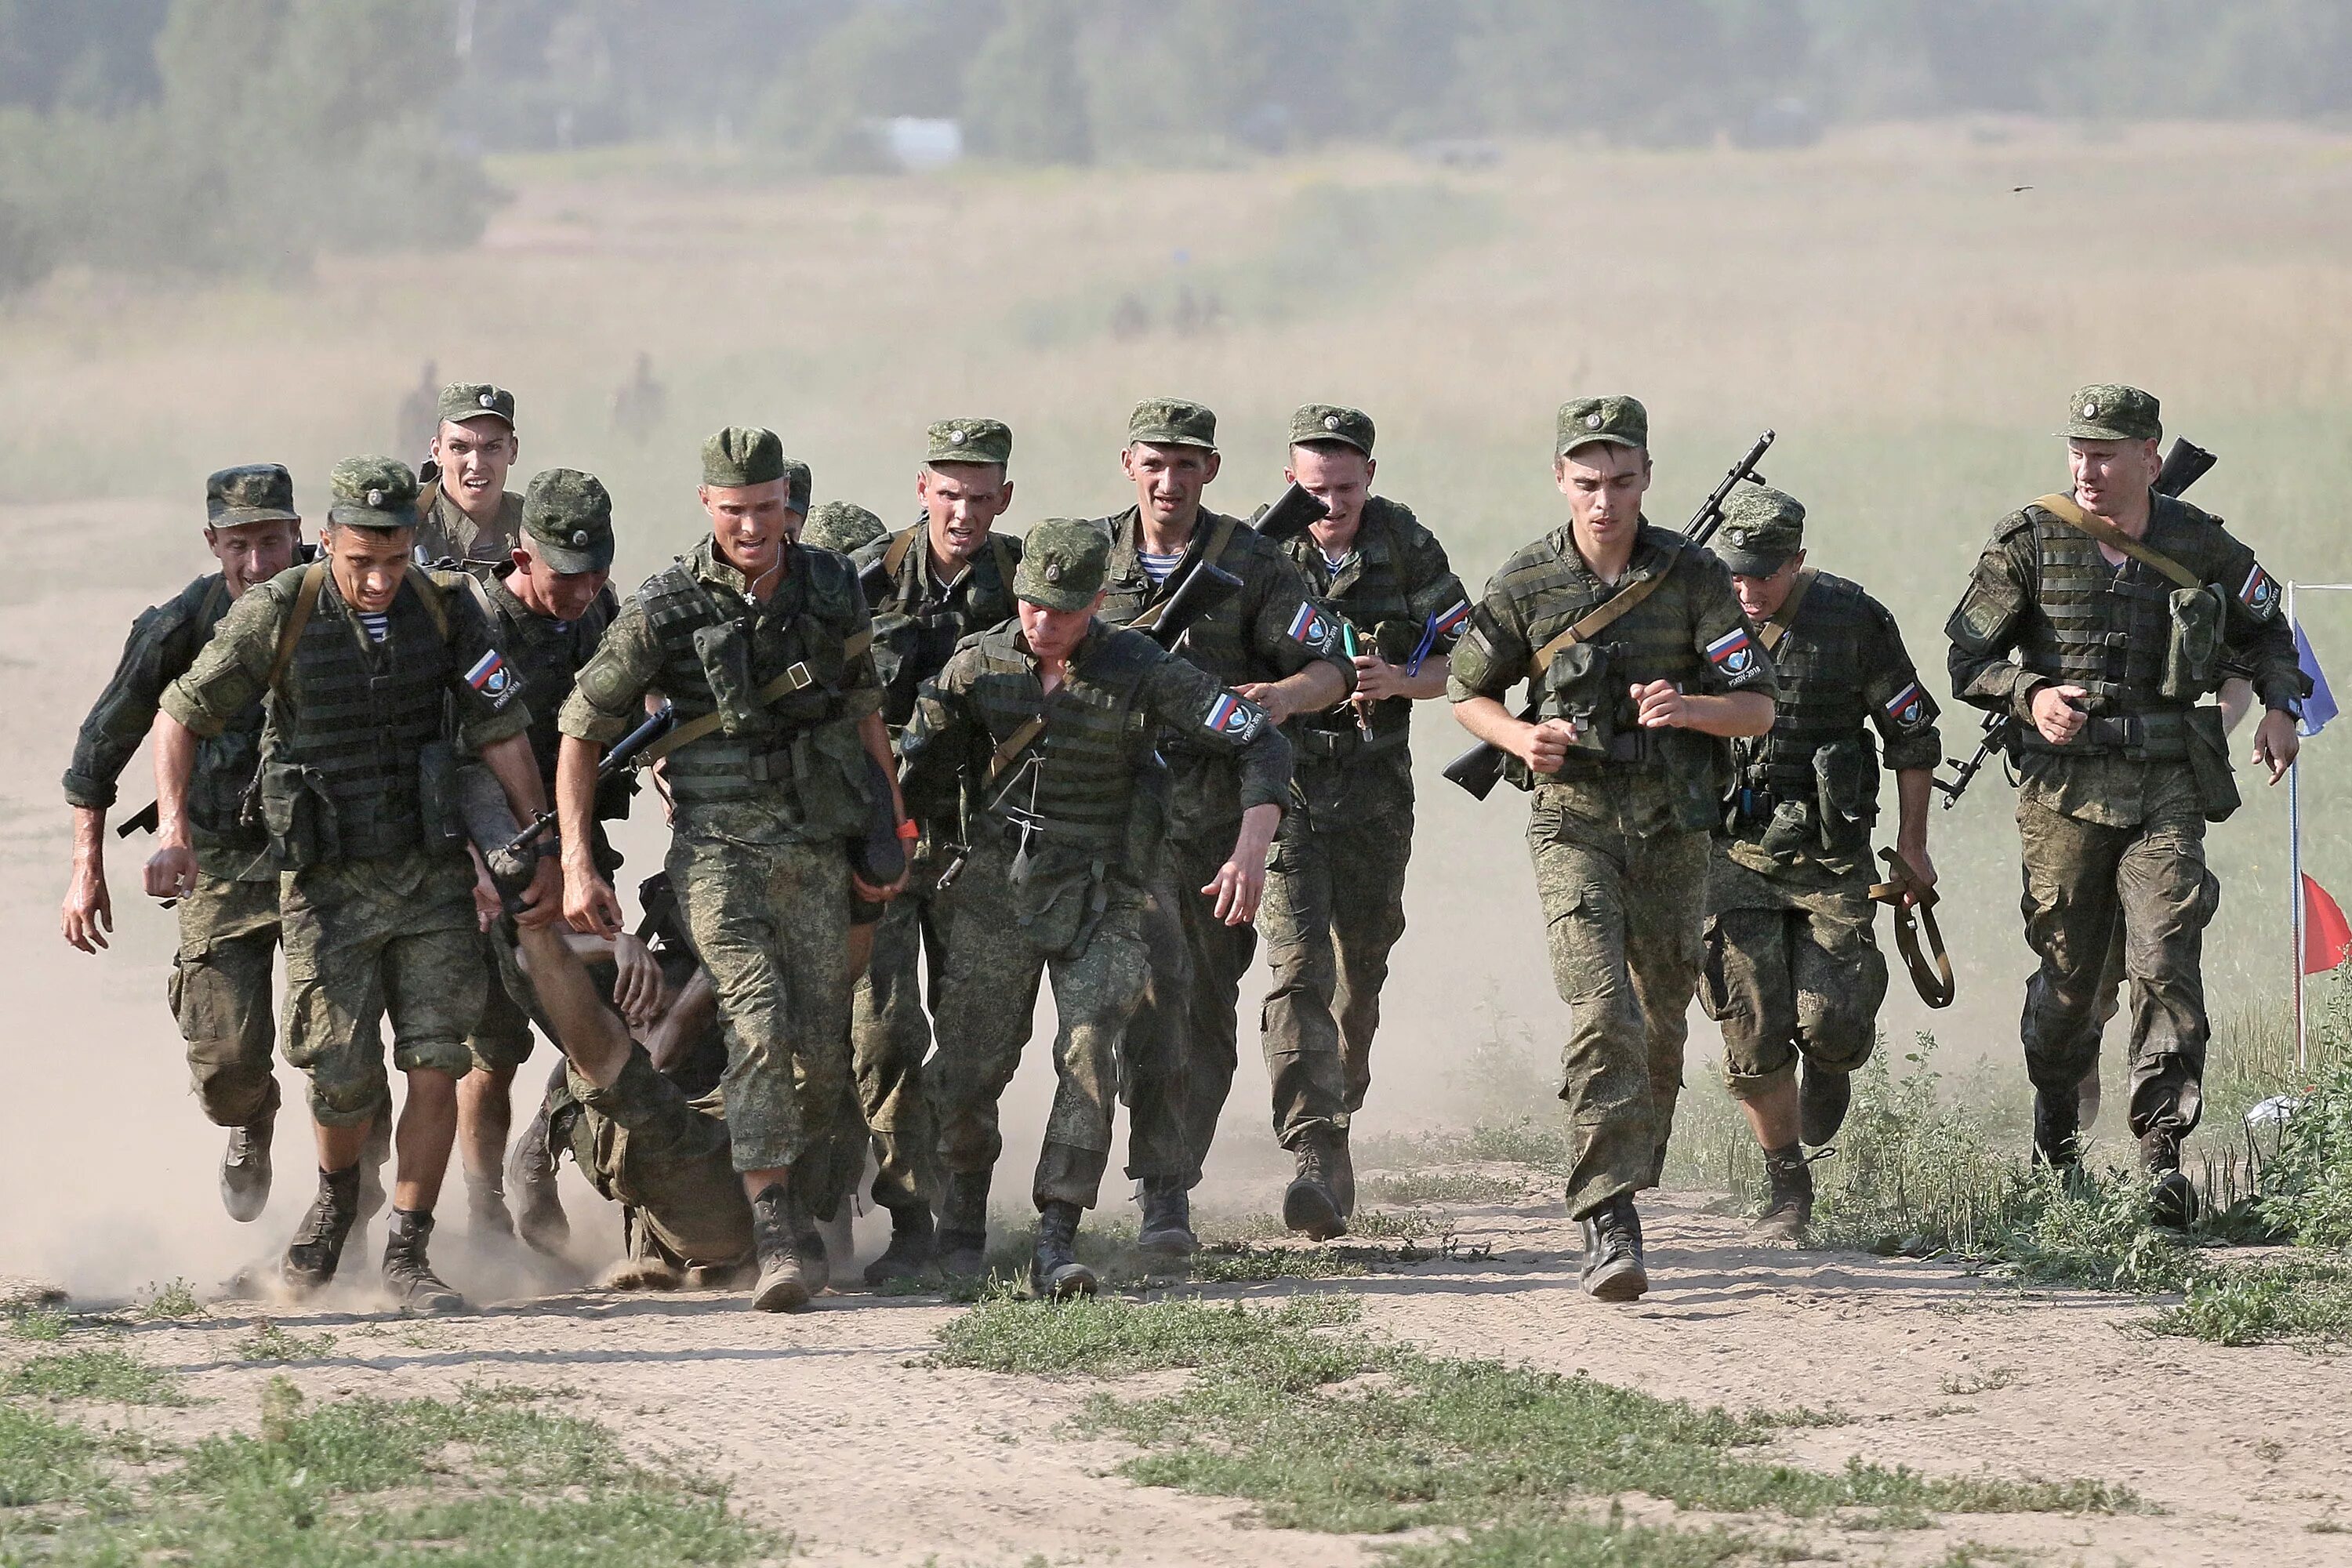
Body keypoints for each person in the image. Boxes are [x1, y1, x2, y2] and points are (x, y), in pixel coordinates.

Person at [154, 456, 562, 1312]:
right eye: (360, 561)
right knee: (338, 1071)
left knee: (434, 1060)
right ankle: (339, 1199)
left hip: (428, 875)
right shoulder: (280, 611)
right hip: (326, 885)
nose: (378, 579)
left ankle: (409, 1247)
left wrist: (540, 841)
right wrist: (172, 828)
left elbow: (501, 728)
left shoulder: (447, 610)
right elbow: (181, 713)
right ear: (328, 539)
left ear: (414, 541)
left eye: (395, 558)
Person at [555, 426, 909, 1312]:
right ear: (707, 506)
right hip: (716, 853)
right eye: (735, 510)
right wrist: (573, 860)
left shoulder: (829, 585)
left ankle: (801, 1206)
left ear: (787, 502)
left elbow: (865, 713)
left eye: (766, 508)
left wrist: (887, 826)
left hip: (815, 847)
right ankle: (777, 1229)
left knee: (823, 1049)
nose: (753, 526)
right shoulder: (665, 606)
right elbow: (579, 727)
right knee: (755, 1018)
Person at [900, 520, 1295, 1295]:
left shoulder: (1141, 666)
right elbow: (913, 763)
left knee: (1088, 1049)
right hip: (994, 887)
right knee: (972, 1063)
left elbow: (1260, 741)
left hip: (1106, 886)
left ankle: (1058, 1232)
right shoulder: (977, 664)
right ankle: (963, 1225)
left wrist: (1251, 845)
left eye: (1065, 609)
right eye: (1032, 606)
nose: (1044, 624)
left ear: (1095, 604)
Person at [1945, 384, 2304, 1225]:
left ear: (2150, 455)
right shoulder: (2029, 541)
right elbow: (1967, 656)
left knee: (2167, 955)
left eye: (2106, 451)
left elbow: (2267, 627)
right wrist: (2030, 693)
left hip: (2166, 782)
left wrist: (2280, 706)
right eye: (2078, 449)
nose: (2088, 467)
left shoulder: (2198, 542)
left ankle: (2160, 1157)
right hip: (2065, 792)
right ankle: (2056, 1138)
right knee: (2071, 983)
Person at [1449, 396, 1778, 1302]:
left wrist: (1690, 709)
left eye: (1622, 481)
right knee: (1603, 1012)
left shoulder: (1694, 575)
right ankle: (1606, 1217)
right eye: (1588, 482)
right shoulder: (1526, 581)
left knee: (1661, 1021)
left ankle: (1622, 1151)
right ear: (1561, 479)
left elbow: (1758, 706)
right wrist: (1523, 741)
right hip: (1574, 821)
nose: (1605, 501)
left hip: (1675, 825)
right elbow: (1465, 692)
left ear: (1646, 478)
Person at [1090, 397, 1352, 1258]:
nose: (1170, 481)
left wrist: (1284, 695)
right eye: (1155, 463)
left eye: (1188, 463)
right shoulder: (1089, 557)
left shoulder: (1254, 562)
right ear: (1129, 464)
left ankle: (1174, 1178)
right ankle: (1156, 1189)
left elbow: (1333, 667)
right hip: (1117, 813)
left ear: (1211, 468)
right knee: (1151, 996)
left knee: (1202, 1007)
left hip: (1217, 811)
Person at [61, 465, 304, 1221]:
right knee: (228, 1070)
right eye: (240, 545)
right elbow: (100, 750)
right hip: (218, 860)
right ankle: (254, 1118)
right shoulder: (177, 627)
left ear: (299, 534)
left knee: (341, 1051)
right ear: (213, 543)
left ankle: (349, 1212)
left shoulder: (334, 610)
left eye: (272, 541)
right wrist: (85, 870)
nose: (258, 564)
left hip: (326, 859)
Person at [1700, 485, 1941, 1240]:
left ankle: (1830, 1067)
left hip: (1831, 856)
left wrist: (1911, 846)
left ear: (1798, 562)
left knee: (1834, 1019)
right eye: (1735, 573)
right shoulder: (1697, 615)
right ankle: (1786, 1188)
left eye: (1764, 575)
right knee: (1749, 1023)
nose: (1748, 590)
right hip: (1731, 852)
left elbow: (1910, 733)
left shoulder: (1852, 619)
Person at [1258, 404, 1469, 1229]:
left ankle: (1346, 1079)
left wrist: (1400, 682)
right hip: (1287, 787)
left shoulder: (1408, 545)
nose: (1330, 503)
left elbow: (1467, 656)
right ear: (1290, 481)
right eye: (1315, 489)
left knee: (1362, 964)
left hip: (1378, 789)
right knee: (1297, 968)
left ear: (1369, 477)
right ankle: (1315, 1146)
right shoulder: (1260, 548)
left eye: (1344, 487)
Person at [840, 419, 1024, 1282]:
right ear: (923, 490)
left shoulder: (1028, 584)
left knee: (977, 1037)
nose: (963, 512)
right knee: (882, 1036)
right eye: (949, 493)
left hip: (984, 843)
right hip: (882, 840)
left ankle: (965, 1219)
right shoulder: (857, 582)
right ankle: (910, 1213)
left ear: (1004, 499)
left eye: (981, 497)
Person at [441, 469, 624, 1243]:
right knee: (493, 1048)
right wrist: (477, 867)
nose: (581, 590)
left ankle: (537, 1156)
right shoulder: (471, 622)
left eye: (595, 573)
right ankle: (484, 1206)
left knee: (599, 1017)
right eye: (563, 576)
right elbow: (445, 757)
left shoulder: (602, 611)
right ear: (522, 556)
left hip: (573, 848)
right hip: (489, 855)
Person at [415, 383, 524, 566]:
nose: (476, 464)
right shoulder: (404, 523)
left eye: (492, 447)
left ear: (512, 451)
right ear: (436, 452)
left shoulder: (535, 531)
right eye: (459, 448)